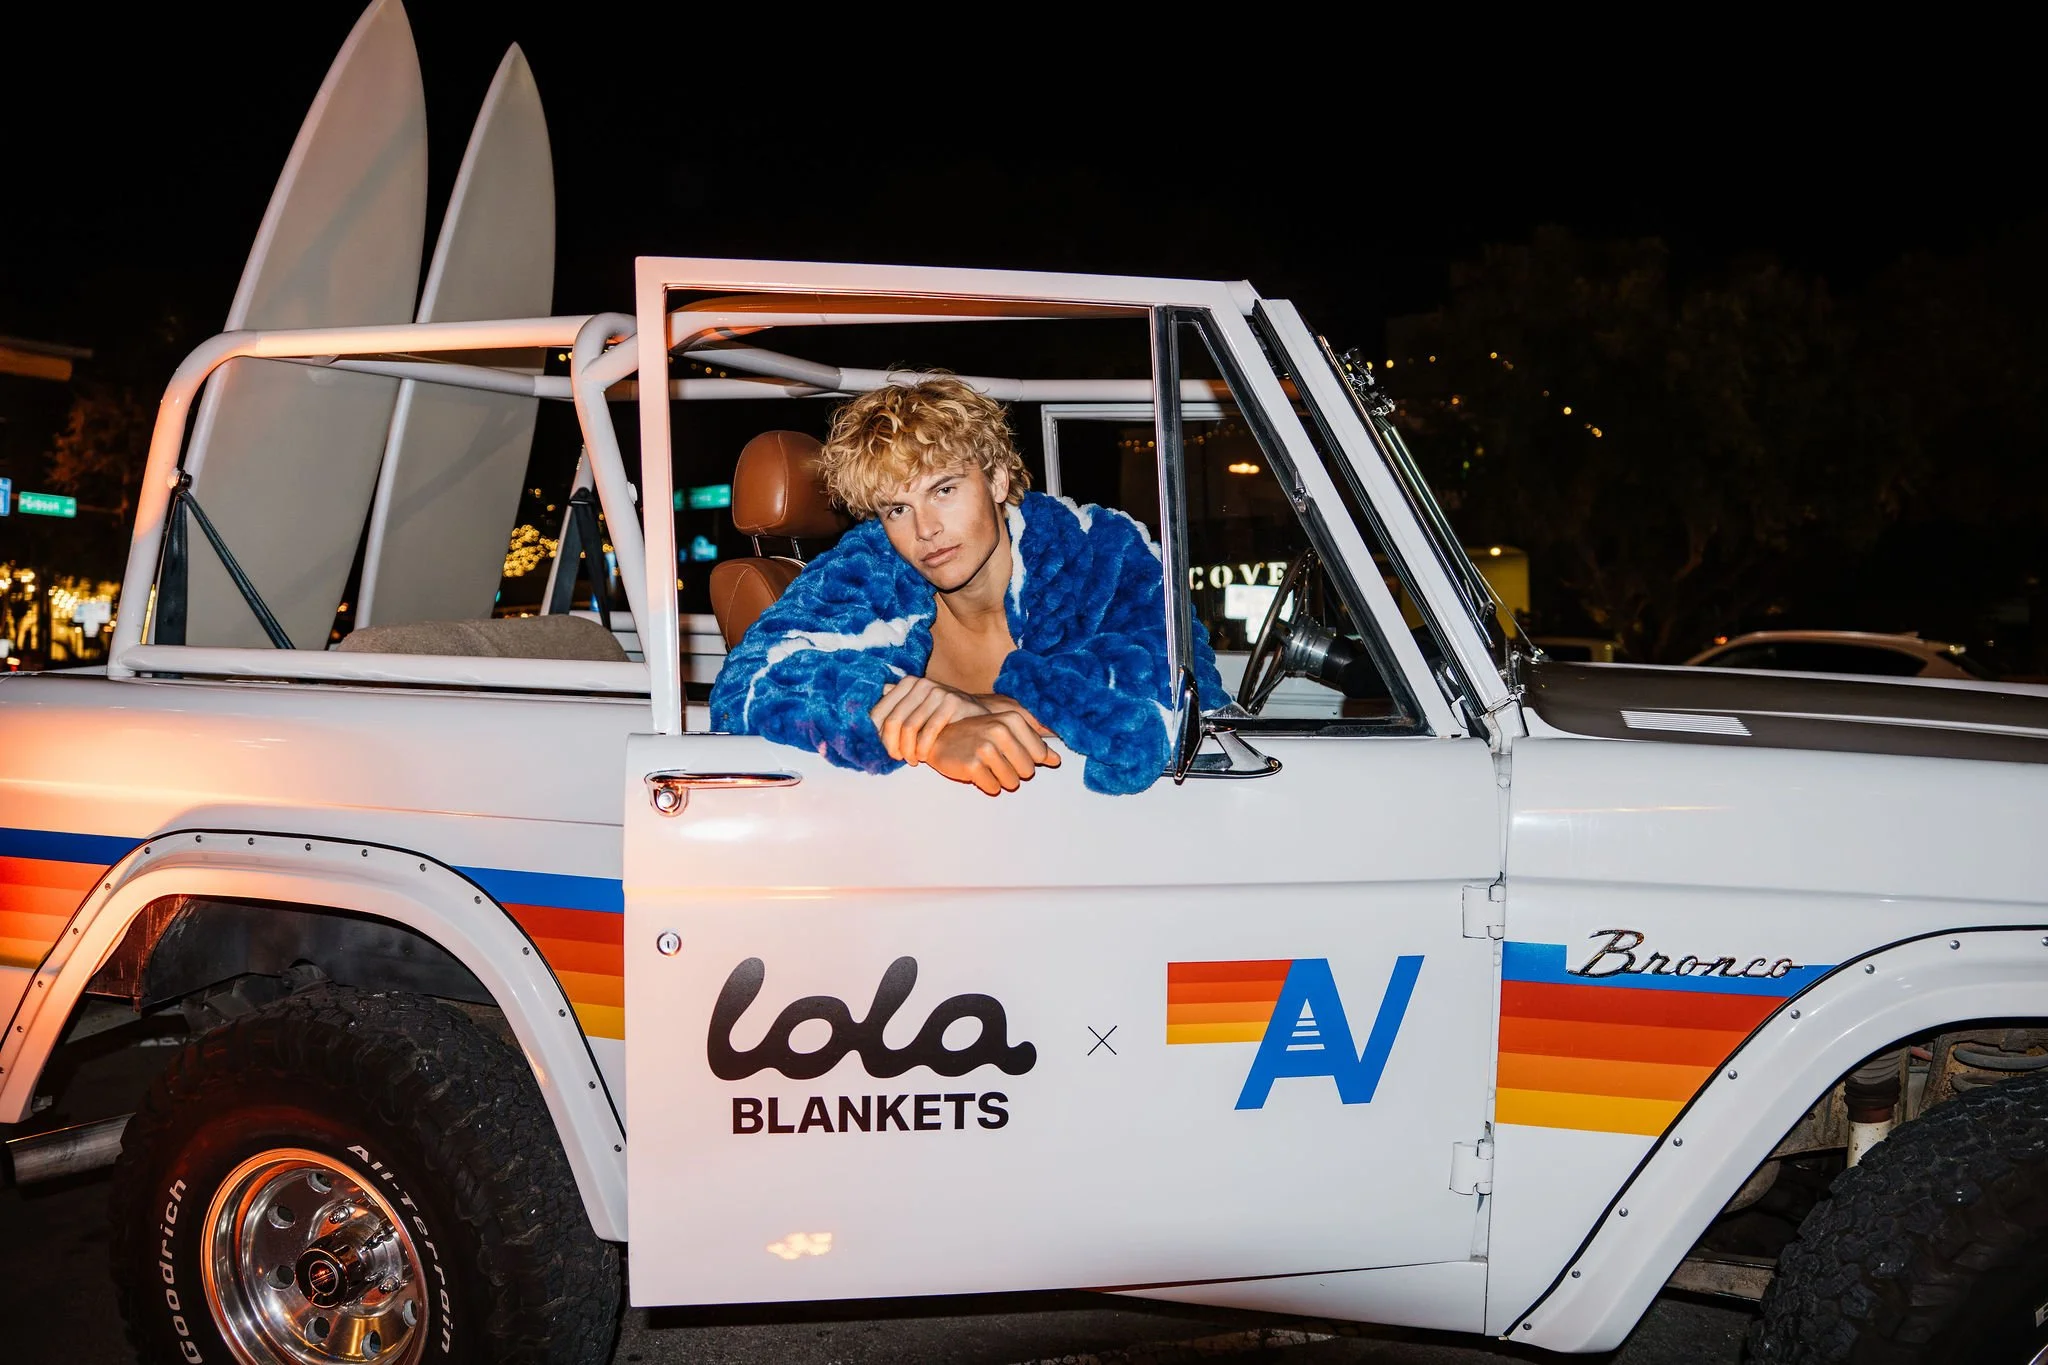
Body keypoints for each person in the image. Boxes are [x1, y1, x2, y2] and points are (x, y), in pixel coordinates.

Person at [709, 376, 1227, 796]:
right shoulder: (871, 567)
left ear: (998, 480)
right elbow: (748, 684)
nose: (925, 529)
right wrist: (930, 733)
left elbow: (1185, 688)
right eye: (897, 509)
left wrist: (986, 707)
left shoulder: (1097, 549)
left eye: (945, 490)